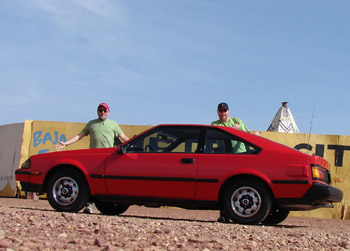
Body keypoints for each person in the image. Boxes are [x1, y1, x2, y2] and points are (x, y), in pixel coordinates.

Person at [55, 102, 129, 213]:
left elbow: (122, 137)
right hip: (94, 157)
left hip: (108, 157)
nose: (102, 112)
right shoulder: (91, 124)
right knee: (91, 180)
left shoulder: (113, 124)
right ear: (97, 112)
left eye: (105, 110)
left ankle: (105, 204)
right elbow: (79, 135)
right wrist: (66, 143)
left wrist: (132, 145)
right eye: (100, 110)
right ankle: (90, 204)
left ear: (108, 112)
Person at [211, 102, 259, 223]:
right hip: (225, 158)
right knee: (225, 185)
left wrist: (256, 136)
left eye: (225, 110)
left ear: (229, 111)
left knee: (242, 184)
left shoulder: (237, 120)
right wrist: (231, 131)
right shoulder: (214, 124)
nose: (223, 113)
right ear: (217, 112)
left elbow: (247, 135)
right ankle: (224, 215)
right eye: (221, 111)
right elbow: (216, 136)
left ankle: (246, 214)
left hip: (241, 156)